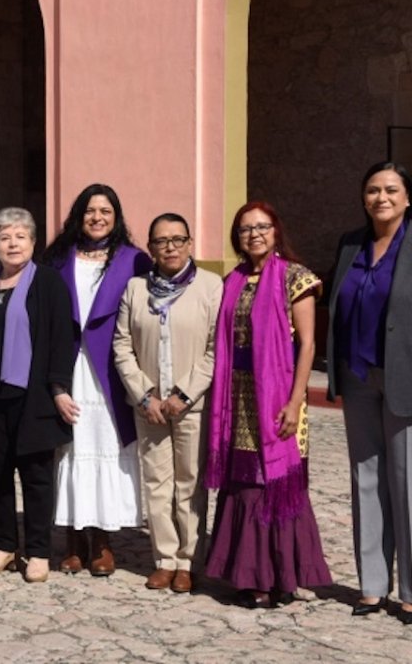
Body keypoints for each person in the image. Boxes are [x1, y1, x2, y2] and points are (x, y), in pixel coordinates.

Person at [204, 201, 332, 607]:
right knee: (244, 479)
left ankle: (279, 575)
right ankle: (247, 574)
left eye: (261, 227)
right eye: (244, 229)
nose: (253, 234)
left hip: (279, 397)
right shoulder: (234, 280)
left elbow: (308, 344)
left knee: (274, 480)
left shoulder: (296, 278)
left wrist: (295, 402)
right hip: (238, 396)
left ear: (276, 231)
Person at [45, 184, 151, 576]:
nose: (97, 218)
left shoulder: (134, 260)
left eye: (105, 211)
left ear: (116, 216)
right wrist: (52, 382)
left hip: (110, 369)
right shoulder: (58, 258)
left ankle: (103, 540)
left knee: (106, 446)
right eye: (90, 211)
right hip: (69, 366)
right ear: (79, 214)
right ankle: (74, 538)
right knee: (71, 449)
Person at [113, 213, 222, 593]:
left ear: (190, 243)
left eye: (178, 239)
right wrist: (144, 394)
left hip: (191, 404)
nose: (170, 247)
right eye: (161, 241)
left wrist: (185, 394)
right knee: (157, 482)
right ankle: (164, 558)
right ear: (151, 248)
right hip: (149, 405)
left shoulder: (211, 287)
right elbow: (122, 345)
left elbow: (214, 348)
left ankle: (189, 560)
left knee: (189, 480)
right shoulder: (136, 289)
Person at [0, 208, 75, 583]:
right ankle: (5, 545)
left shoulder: (48, 283)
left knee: (36, 476)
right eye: (4, 237)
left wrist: (59, 388)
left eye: (20, 236)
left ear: (33, 242)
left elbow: (63, 338)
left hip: (32, 398)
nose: (12, 243)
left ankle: (39, 551)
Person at [327, 161, 412, 623]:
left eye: (391, 190)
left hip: (405, 377)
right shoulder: (349, 244)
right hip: (358, 375)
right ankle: (373, 586)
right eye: (373, 190)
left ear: (407, 197)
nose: (382, 198)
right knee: (366, 480)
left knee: (408, 485)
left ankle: (411, 590)